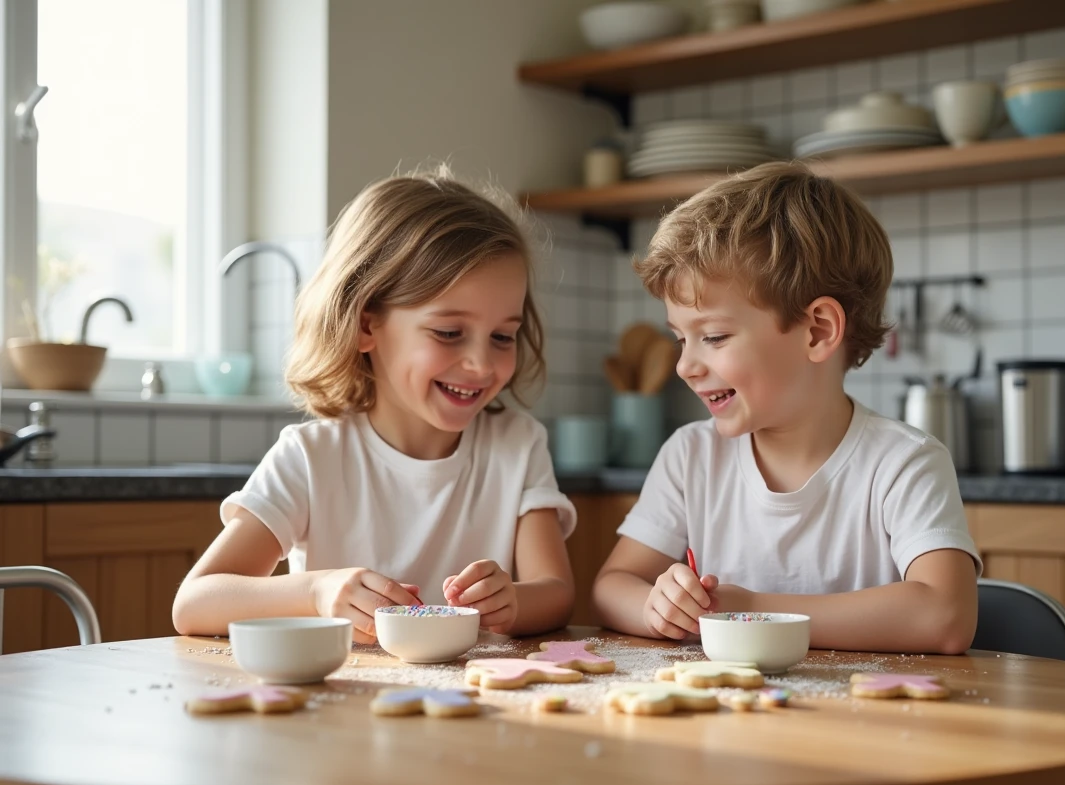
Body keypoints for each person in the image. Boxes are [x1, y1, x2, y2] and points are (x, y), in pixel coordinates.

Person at [173, 169, 576, 643]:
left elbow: (556, 593)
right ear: (367, 325)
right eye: (449, 332)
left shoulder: (517, 444)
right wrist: (317, 591)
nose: (480, 363)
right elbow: (195, 603)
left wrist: (512, 602)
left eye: (503, 337)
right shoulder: (312, 456)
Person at [593, 161, 980, 654]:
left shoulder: (904, 462)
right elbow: (612, 585)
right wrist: (658, 607)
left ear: (817, 330)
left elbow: (944, 616)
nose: (685, 366)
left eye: (712, 336)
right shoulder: (690, 457)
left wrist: (754, 610)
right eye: (679, 338)